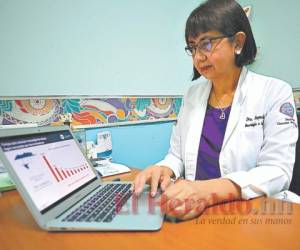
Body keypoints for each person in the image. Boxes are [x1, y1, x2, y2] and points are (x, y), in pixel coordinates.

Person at [133, 0, 298, 221]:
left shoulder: (274, 92)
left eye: (207, 43)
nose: (198, 56)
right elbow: (176, 156)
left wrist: (207, 191)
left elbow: (278, 171)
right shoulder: (192, 95)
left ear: (238, 42)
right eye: (192, 47)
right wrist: (164, 169)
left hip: (253, 214)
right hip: (197, 212)